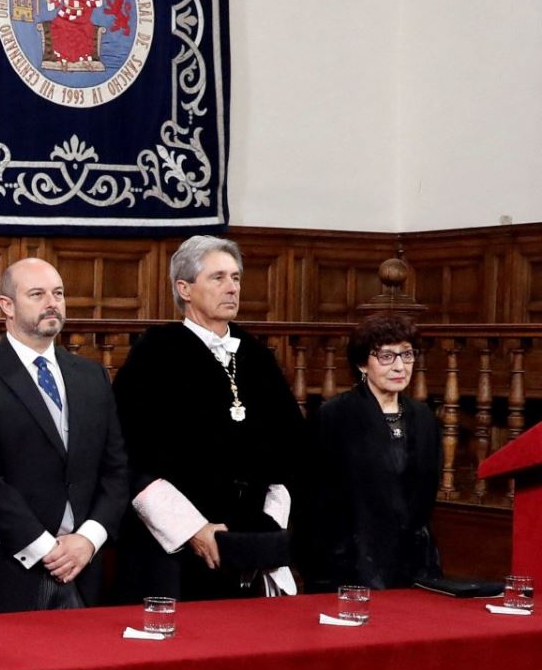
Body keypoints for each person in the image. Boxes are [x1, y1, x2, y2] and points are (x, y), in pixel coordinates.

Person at [113, 235, 305, 601]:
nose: (232, 288)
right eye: (218, 278)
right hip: (175, 544)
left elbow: (289, 448)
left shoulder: (255, 355)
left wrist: (264, 529)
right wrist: (196, 531)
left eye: (235, 278)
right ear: (184, 288)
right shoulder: (154, 354)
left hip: (249, 542)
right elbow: (130, 455)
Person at [0, 257, 128, 613]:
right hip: (10, 570)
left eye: (58, 293)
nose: (52, 303)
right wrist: (46, 548)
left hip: (84, 567)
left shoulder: (91, 376)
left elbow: (116, 470)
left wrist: (89, 540)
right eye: (37, 294)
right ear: (6, 306)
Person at [306, 314, 440, 589]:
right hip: (350, 566)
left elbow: (425, 493)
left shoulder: (423, 416)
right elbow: (317, 500)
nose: (400, 366)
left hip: (413, 565)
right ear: (362, 364)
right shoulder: (335, 416)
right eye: (387, 357)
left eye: (407, 355)